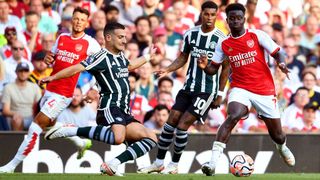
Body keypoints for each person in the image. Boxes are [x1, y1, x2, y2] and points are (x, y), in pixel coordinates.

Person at [41, 22, 158, 177]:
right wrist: (53, 76)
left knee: (151, 138)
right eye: (121, 37)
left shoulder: (121, 56)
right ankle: (70, 130)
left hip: (124, 110)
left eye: (125, 37)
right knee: (118, 138)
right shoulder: (99, 57)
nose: (124, 40)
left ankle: (113, 164)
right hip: (110, 106)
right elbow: (77, 68)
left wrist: (148, 56)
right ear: (108, 37)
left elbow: (129, 66)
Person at [197, 3, 295, 176]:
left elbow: (278, 52)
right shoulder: (224, 43)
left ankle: (282, 147)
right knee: (233, 115)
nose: (235, 21)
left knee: (278, 135)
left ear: (244, 19)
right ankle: (212, 163)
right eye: (232, 19)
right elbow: (214, 69)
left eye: (239, 18)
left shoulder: (256, 35)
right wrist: (205, 67)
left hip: (264, 90)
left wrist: (281, 63)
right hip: (240, 87)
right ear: (227, 20)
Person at [0, 7, 101, 173]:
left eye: (82, 20)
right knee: (50, 125)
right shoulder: (61, 37)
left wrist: (94, 88)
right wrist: (48, 59)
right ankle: (80, 142)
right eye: (75, 18)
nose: (78, 22)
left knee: (35, 126)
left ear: (86, 23)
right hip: (49, 90)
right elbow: (51, 57)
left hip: (63, 94)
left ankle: (11, 166)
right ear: (71, 20)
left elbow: (102, 68)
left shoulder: (90, 43)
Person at [138, 1, 229, 174]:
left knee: (182, 125)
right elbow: (183, 58)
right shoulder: (190, 34)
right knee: (170, 123)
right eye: (206, 14)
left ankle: (173, 165)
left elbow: (226, 68)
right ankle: (158, 162)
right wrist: (168, 69)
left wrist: (220, 93)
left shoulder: (221, 39)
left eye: (213, 15)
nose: (209, 18)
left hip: (206, 90)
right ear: (201, 14)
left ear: (216, 16)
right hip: (188, 86)